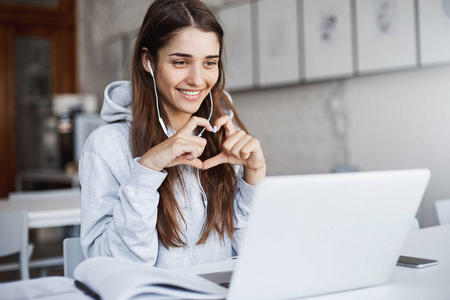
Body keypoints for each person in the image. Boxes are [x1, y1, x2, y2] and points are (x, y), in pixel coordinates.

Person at [79, 0, 266, 268]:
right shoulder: (107, 145)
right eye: (181, 62)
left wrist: (255, 176)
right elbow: (110, 267)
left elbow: (250, 254)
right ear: (148, 61)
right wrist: (147, 170)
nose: (198, 79)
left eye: (209, 63)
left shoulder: (224, 132)